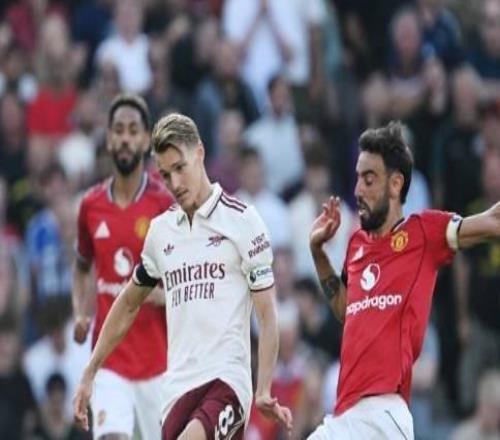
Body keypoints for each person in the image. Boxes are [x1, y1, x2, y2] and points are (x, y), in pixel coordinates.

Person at [73, 113, 292, 439]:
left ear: (199, 153)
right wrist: (90, 371)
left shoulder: (243, 221)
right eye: (165, 174)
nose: (174, 184)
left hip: (227, 382)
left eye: (180, 168)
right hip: (176, 390)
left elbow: (267, 313)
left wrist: (262, 388)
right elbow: (128, 303)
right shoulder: (161, 233)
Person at [306, 121, 500, 439]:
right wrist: (318, 253)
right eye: (357, 178)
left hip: (383, 414)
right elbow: (346, 309)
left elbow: (492, 221)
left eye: (369, 179)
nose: (357, 190)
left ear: (395, 184)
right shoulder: (356, 245)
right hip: (345, 415)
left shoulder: (423, 232)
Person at [72, 94, 172, 439]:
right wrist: (80, 312)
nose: (125, 138)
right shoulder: (90, 206)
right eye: (118, 130)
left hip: (159, 364)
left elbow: (188, 281)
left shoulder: (164, 205)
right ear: (108, 138)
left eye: (133, 131)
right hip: (110, 362)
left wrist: (162, 296)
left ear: (146, 141)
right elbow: (81, 267)